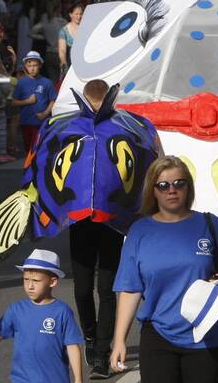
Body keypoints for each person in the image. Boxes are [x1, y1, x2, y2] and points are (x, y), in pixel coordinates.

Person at [110, 156, 218, 382]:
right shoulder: (139, 232)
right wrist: (119, 339)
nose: (172, 190)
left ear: (188, 186)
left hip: (206, 335)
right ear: (153, 190)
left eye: (179, 183)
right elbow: (130, 290)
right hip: (158, 336)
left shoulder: (209, 224)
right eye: (163, 185)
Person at [71, 79, 131, 379]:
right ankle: (91, 337)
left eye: (101, 104)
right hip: (80, 221)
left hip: (111, 221)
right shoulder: (73, 128)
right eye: (92, 105)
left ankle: (103, 351)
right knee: (82, 290)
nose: (96, 111)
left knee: (106, 289)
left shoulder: (122, 127)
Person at [0, 249, 84, 383]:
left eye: (36, 280)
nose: (30, 286)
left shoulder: (62, 311)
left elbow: (72, 346)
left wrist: (78, 379)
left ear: (52, 282)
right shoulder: (16, 309)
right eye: (26, 279)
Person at [11, 50, 56, 155]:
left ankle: (39, 169)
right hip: (26, 122)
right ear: (25, 66)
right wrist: (28, 101)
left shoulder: (46, 82)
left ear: (40, 65)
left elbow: (53, 100)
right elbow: (13, 102)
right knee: (29, 150)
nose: (32, 68)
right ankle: (29, 169)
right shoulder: (21, 83)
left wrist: (45, 114)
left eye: (35, 65)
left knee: (41, 149)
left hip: (42, 123)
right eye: (29, 65)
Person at [58, 3, 83, 79]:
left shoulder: (86, 27)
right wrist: (64, 63)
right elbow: (62, 50)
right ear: (70, 14)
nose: (79, 17)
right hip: (71, 65)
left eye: (81, 14)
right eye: (76, 14)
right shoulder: (64, 30)